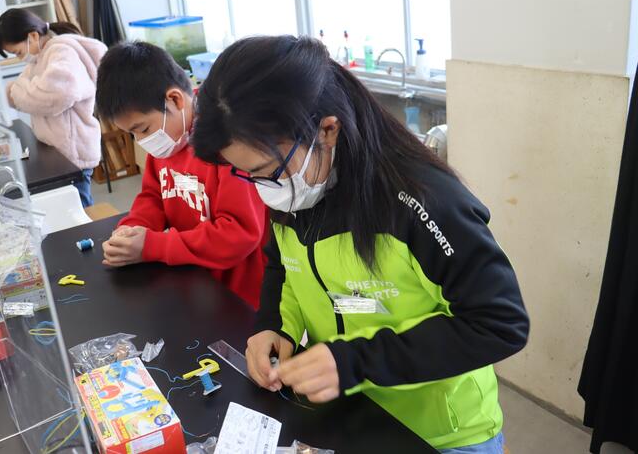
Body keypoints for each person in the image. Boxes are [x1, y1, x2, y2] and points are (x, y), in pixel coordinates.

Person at [190, 35, 529, 453]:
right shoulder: (296, 188)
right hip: (347, 414)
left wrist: (355, 362)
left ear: (327, 130)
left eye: (267, 171)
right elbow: (284, 268)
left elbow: (499, 323)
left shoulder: (421, 202)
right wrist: (273, 327)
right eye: (248, 174)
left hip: (440, 433)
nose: (263, 188)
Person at [95, 41, 268, 309]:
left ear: (175, 99)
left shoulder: (228, 145)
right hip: (193, 281)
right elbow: (153, 196)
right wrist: (133, 228)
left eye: (143, 129)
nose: (141, 140)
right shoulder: (168, 140)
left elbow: (238, 234)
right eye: (132, 133)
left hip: (238, 296)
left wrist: (153, 245)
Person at [0, 9, 105, 207]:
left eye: (18, 52)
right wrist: (23, 90)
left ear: (33, 36)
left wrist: (19, 90)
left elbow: (55, 95)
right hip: (59, 153)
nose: (20, 58)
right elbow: (23, 92)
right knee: (70, 206)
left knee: (79, 208)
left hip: (72, 154)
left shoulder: (61, 51)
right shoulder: (41, 56)